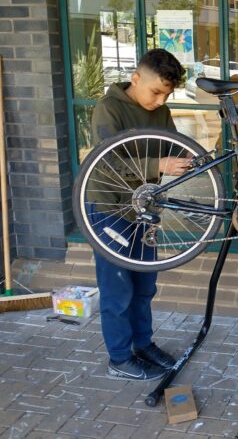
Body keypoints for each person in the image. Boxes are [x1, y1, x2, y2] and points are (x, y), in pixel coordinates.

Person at [89, 48, 191, 380]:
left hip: (143, 210)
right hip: (109, 209)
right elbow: (107, 162)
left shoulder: (160, 112)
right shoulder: (109, 109)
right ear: (136, 79)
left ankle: (143, 344)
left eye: (167, 94)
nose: (161, 101)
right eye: (156, 92)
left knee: (145, 285)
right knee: (118, 289)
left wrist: (191, 155)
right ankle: (119, 358)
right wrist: (158, 165)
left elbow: (171, 143)